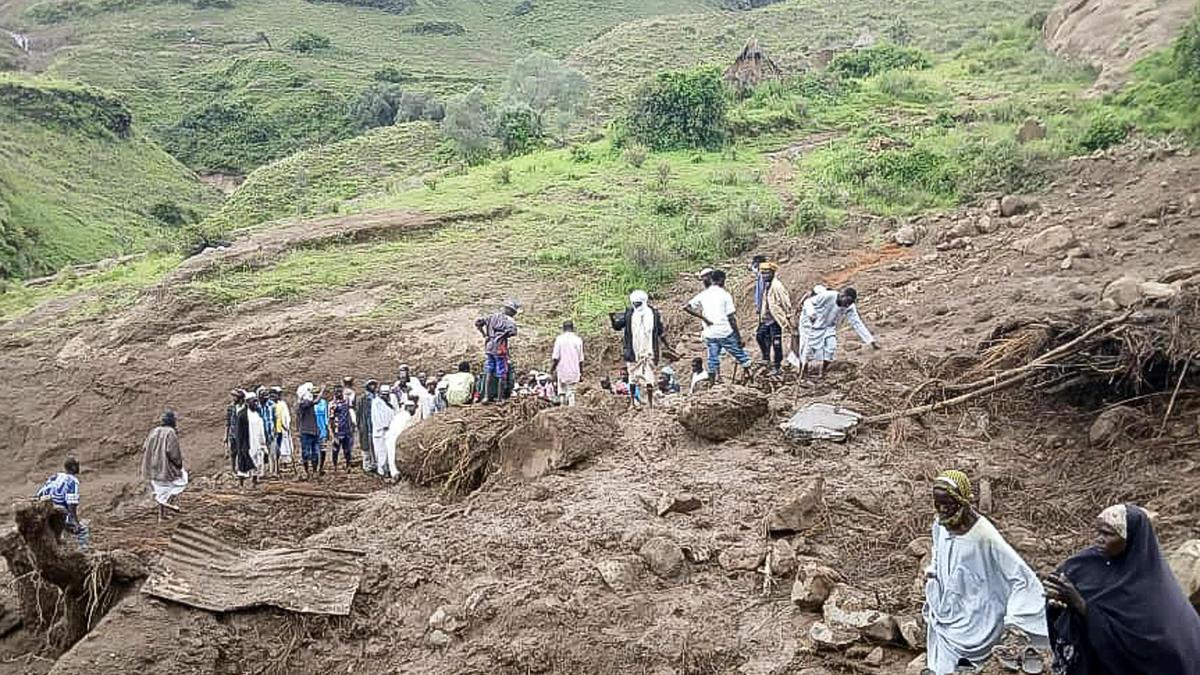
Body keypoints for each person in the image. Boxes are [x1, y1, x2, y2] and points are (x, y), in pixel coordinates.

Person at [1045, 503, 1200, 674]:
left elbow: (1153, 647)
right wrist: (1057, 602)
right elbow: (1060, 586)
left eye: (1108, 534)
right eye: (1099, 532)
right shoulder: (1087, 562)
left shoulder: (1150, 587)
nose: (1099, 539)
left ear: (1130, 539)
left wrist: (1081, 605)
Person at [923, 470, 1048, 674]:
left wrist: (1015, 619)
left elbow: (1021, 577)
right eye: (938, 504)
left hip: (979, 618)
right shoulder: (940, 524)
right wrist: (933, 573)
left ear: (962, 501)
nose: (942, 510)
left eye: (948, 504)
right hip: (948, 610)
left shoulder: (984, 536)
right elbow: (938, 551)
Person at [684, 269, 752, 383]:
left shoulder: (703, 294)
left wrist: (704, 318)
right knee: (740, 355)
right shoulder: (725, 295)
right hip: (724, 331)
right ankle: (750, 377)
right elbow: (731, 318)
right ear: (721, 280)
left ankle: (712, 383)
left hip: (710, 333)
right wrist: (738, 337)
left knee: (712, 359)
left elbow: (686, 307)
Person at [798, 285, 878, 379]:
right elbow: (808, 302)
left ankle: (822, 372)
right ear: (842, 295)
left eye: (850, 303)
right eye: (847, 302)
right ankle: (803, 373)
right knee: (807, 348)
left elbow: (857, 323)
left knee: (831, 347)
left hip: (828, 326)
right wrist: (811, 314)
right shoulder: (829, 296)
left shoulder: (849, 307)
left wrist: (870, 340)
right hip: (810, 322)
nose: (847, 305)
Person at [611, 290, 670, 408]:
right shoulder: (629, 313)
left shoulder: (653, 314)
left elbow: (660, 330)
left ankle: (650, 403)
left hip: (649, 351)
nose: (636, 305)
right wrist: (612, 319)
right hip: (633, 351)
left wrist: (666, 345)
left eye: (638, 303)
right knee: (632, 377)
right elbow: (618, 326)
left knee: (649, 377)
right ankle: (633, 402)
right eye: (634, 303)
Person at [140, 410, 187, 522]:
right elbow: (173, 452)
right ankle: (169, 506)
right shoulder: (170, 432)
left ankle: (161, 516)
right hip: (164, 466)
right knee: (178, 482)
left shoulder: (154, 431)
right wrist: (178, 464)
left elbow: (145, 446)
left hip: (152, 466)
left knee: (160, 489)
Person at [35, 457, 89, 549]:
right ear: (73, 467)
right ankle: (83, 550)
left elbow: (40, 493)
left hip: (43, 510)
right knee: (83, 530)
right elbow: (71, 504)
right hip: (58, 513)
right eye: (77, 465)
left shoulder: (56, 476)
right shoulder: (72, 481)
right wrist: (76, 522)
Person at [475, 300, 520, 402]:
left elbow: (478, 323)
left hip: (489, 347)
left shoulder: (491, 316)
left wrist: (484, 335)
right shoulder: (509, 320)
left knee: (489, 371)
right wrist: (503, 335)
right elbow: (513, 332)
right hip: (500, 348)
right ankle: (499, 398)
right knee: (502, 373)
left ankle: (486, 397)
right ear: (510, 310)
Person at [755, 261, 793, 374]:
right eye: (763, 273)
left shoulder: (777, 286)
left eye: (767, 273)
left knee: (776, 343)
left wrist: (788, 315)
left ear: (772, 273)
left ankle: (777, 366)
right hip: (766, 318)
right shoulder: (767, 285)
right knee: (760, 336)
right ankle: (766, 358)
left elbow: (786, 302)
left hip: (775, 319)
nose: (764, 276)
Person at [551, 321, 584, 407]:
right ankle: (571, 408)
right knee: (571, 391)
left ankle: (562, 407)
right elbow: (581, 359)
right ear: (573, 328)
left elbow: (556, 357)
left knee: (562, 391)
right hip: (574, 370)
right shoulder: (578, 340)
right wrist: (581, 372)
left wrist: (552, 369)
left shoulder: (559, 339)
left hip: (562, 370)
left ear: (563, 328)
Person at [371, 383, 397, 479]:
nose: (385, 396)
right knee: (381, 452)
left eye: (387, 394)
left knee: (390, 451)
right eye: (384, 394)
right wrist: (383, 426)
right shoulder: (376, 402)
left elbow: (395, 412)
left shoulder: (392, 399)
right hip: (380, 432)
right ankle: (382, 471)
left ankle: (390, 470)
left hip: (391, 430)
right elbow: (376, 417)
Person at [296, 382, 321, 479]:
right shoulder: (304, 403)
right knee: (308, 453)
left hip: (310, 431)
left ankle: (311, 471)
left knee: (312, 453)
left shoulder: (304, 403)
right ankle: (309, 471)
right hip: (307, 431)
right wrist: (322, 391)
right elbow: (316, 401)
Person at [246, 395, 269, 485]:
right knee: (251, 459)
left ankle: (255, 479)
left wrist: (263, 442)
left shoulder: (257, 415)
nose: (255, 404)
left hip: (258, 442)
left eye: (256, 402)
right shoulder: (245, 416)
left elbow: (261, 430)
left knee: (258, 460)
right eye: (253, 402)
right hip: (249, 442)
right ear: (248, 403)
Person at [330, 388, 354, 472]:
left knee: (347, 450)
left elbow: (351, 395)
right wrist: (333, 434)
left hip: (346, 429)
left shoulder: (346, 402)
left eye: (340, 392)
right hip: (337, 430)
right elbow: (331, 419)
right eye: (337, 392)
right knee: (335, 449)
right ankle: (335, 466)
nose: (339, 394)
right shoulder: (333, 404)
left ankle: (348, 465)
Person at [272, 387, 293, 474]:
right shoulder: (271, 405)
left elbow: (285, 416)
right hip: (274, 429)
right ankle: (276, 466)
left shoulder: (282, 404)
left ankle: (284, 464)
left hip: (282, 429)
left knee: (284, 446)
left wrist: (286, 425)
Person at [357, 380, 377, 473]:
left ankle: (374, 463)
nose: (373, 386)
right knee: (366, 445)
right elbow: (358, 413)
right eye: (371, 385)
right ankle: (366, 464)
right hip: (365, 424)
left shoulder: (377, 397)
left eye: (374, 385)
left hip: (375, 425)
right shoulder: (362, 398)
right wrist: (360, 424)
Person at [225, 389, 243, 473]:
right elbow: (228, 422)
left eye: (235, 396)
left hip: (240, 432)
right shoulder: (230, 407)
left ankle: (240, 468)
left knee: (240, 451)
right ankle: (233, 469)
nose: (233, 398)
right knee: (233, 452)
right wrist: (226, 434)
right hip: (233, 432)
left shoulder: (242, 407)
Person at [314, 387, 331, 474]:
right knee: (315, 450)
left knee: (323, 449)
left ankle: (321, 467)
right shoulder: (311, 403)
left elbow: (326, 416)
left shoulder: (323, 402)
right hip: (313, 428)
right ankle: (315, 468)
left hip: (322, 427)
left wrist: (327, 428)